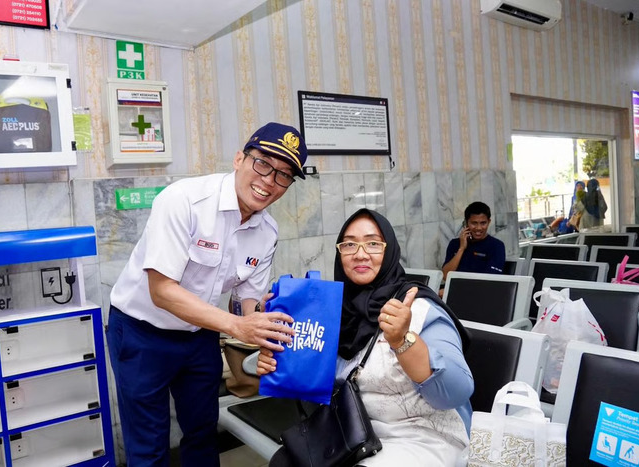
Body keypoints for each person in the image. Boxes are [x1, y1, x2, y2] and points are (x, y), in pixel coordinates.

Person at [107, 122, 308, 467]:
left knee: (202, 434)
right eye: (263, 164)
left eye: (283, 175)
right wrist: (238, 326)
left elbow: (245, 303)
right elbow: (162, 291)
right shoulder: (184, 200)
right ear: (239, 159)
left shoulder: (267, 232)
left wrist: (263, 320)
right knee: (149, 445)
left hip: (200, 334)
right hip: (142, 333)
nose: (269, 181)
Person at [260, 208, 473, 466]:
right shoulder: (334, 313)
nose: (360, 254)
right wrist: (282, 361)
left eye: (373, 243)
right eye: (349, 244)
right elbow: (320, 390)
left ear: (389, 250)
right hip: (350, 432)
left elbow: (455, 393)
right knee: (282, 462)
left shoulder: (419, 309)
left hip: (421, 436)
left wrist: (402, 341)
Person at [441, 201, 505, 281]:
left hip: (481, 288)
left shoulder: (496, 246)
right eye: (474, 223)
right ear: (466, 223)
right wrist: (461, 249)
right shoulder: (454, 244)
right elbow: (445, 276)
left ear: (489, 222)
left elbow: (491, 279)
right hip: (456, 287)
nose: (478, 228)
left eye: (483, 223)